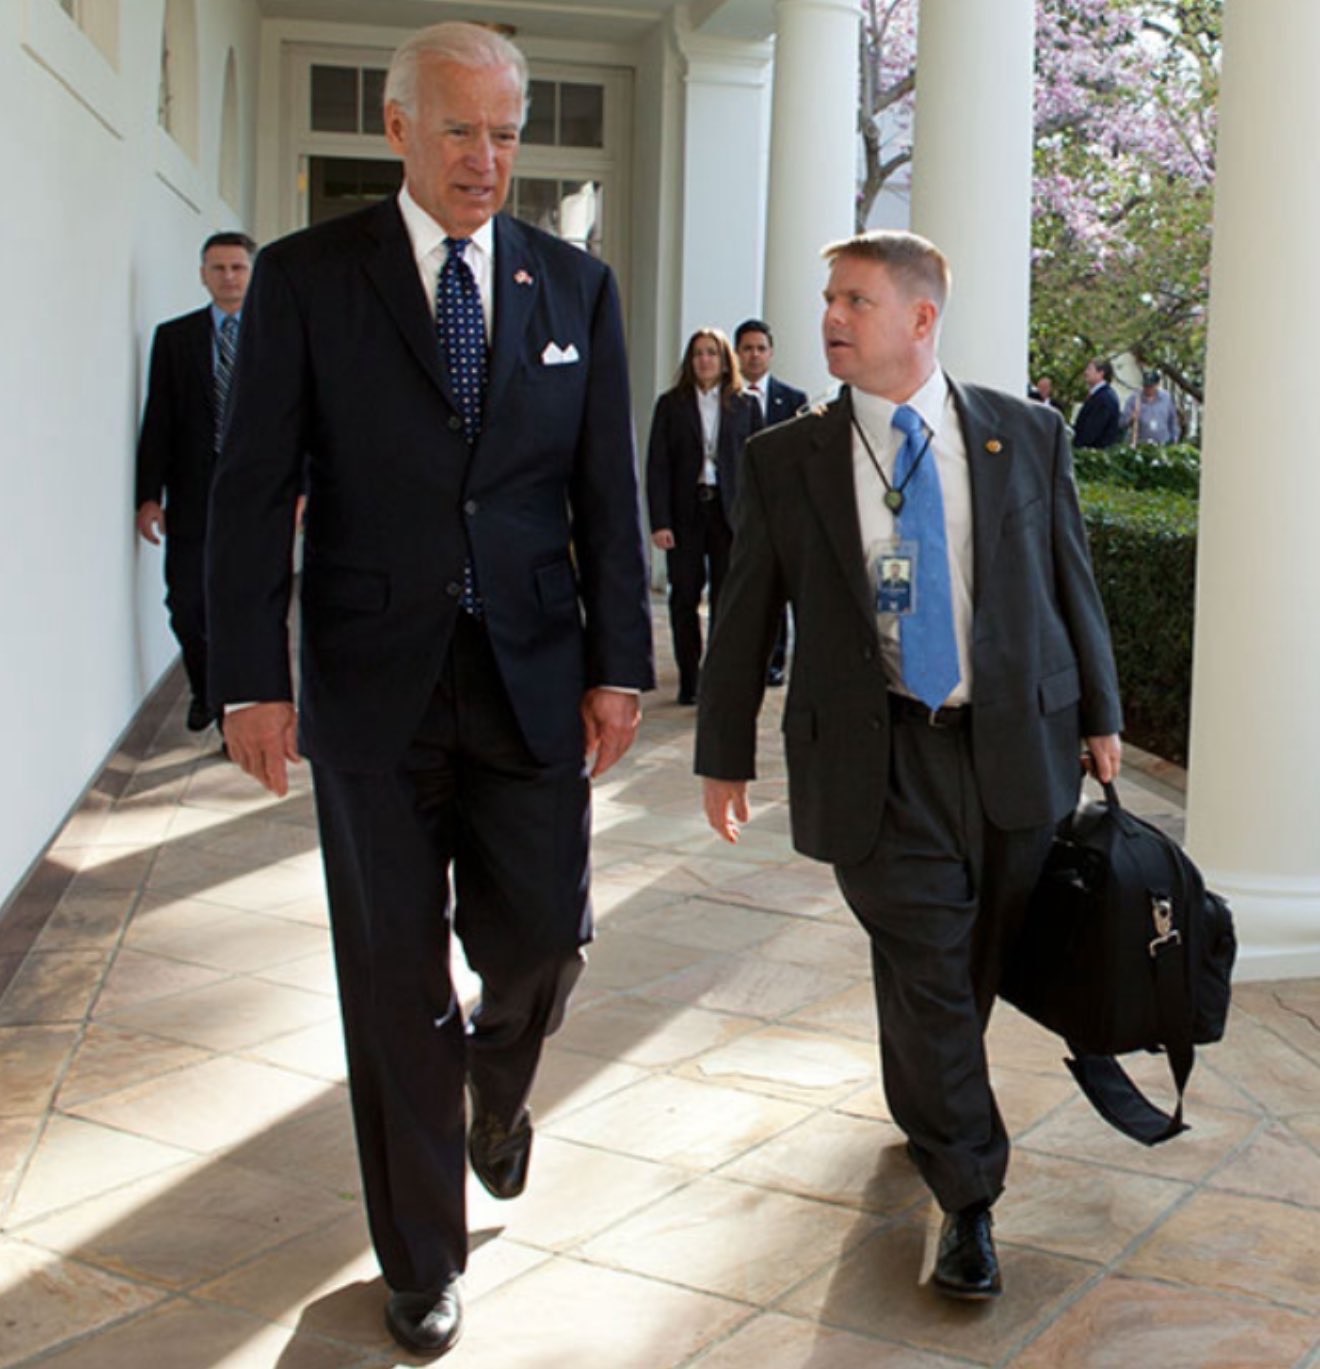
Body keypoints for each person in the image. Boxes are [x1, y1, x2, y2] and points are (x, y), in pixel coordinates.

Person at [204, 23, 654, 1359]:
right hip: (367, 688)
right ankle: (421, 1258)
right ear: (399, 130)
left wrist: (622, 660)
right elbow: (249, 493)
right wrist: (249, 680)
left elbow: (603, 495)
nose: (487, 158)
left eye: (507, 133)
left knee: (545, 942)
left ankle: (496, 1097)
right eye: (460, 130)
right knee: (393, 980)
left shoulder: (575, 285)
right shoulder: (306, 278)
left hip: (531, 674)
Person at [696, 230, 1122, 1303]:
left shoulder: (1025, 435)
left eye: (855, 299)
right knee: (929, 960)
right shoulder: (784, 457)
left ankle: (927, 1103)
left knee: (968, 962)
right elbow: (745, 614)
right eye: (828, 297)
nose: (830, 316)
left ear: (921, 320)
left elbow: (1071, 579)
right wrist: (723, 751)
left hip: (1015, 744)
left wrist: (1104, 716)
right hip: (879, 756)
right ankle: (970, 1197)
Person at [136, 231, 256, 733]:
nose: (228, 277)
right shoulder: (175, 338)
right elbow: (157, 419)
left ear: (254, 273)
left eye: (237, 267)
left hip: (255, 498)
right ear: (202, 274)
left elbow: (304, 418)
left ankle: (234, 714)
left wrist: (303, 490)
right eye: (218, 268)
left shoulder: (278, 334)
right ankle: (208, 689)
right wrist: (147, 496)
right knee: (185, 603)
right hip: (190, 497)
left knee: (243, 609)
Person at [646, 327, 761, 704]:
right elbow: (658, 466)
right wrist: (660, 521)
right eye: (698, 353)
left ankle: (717, 677)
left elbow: (759, 465)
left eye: (712, 352)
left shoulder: (745, 404)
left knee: (726, 600)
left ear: (725, 359)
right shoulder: (671, 404)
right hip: (686, 512)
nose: (705, 360)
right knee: (684, 596)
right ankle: (689, 678)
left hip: (729, 514)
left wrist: (756, 519)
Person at [735, 318, 808, 687]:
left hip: (782, 508)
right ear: (737, 354)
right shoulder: (726, 401)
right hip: (736, 509)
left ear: (771, 353)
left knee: (779, 589)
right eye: (747, 348)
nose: (754, 355)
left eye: (761, 348)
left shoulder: (792, 400)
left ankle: (776, 660)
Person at [1071, 357, 1122, 449]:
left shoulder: (1104, 398)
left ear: (1101, 373)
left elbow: (1092, 432)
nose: (1086, 373)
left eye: (1089, 369)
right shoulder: (1098, 395)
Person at [1122, 369, 1181, 445]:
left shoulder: (1166, 398)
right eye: (1146, 386)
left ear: (1157, 385)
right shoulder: (1134, 398)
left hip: (1163, 445)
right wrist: (1131, 418)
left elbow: (1173, 421)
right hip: (1140, 445)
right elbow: (1122, 422)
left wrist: (1174, 439)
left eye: (1151, 386)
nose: (1148, 389)